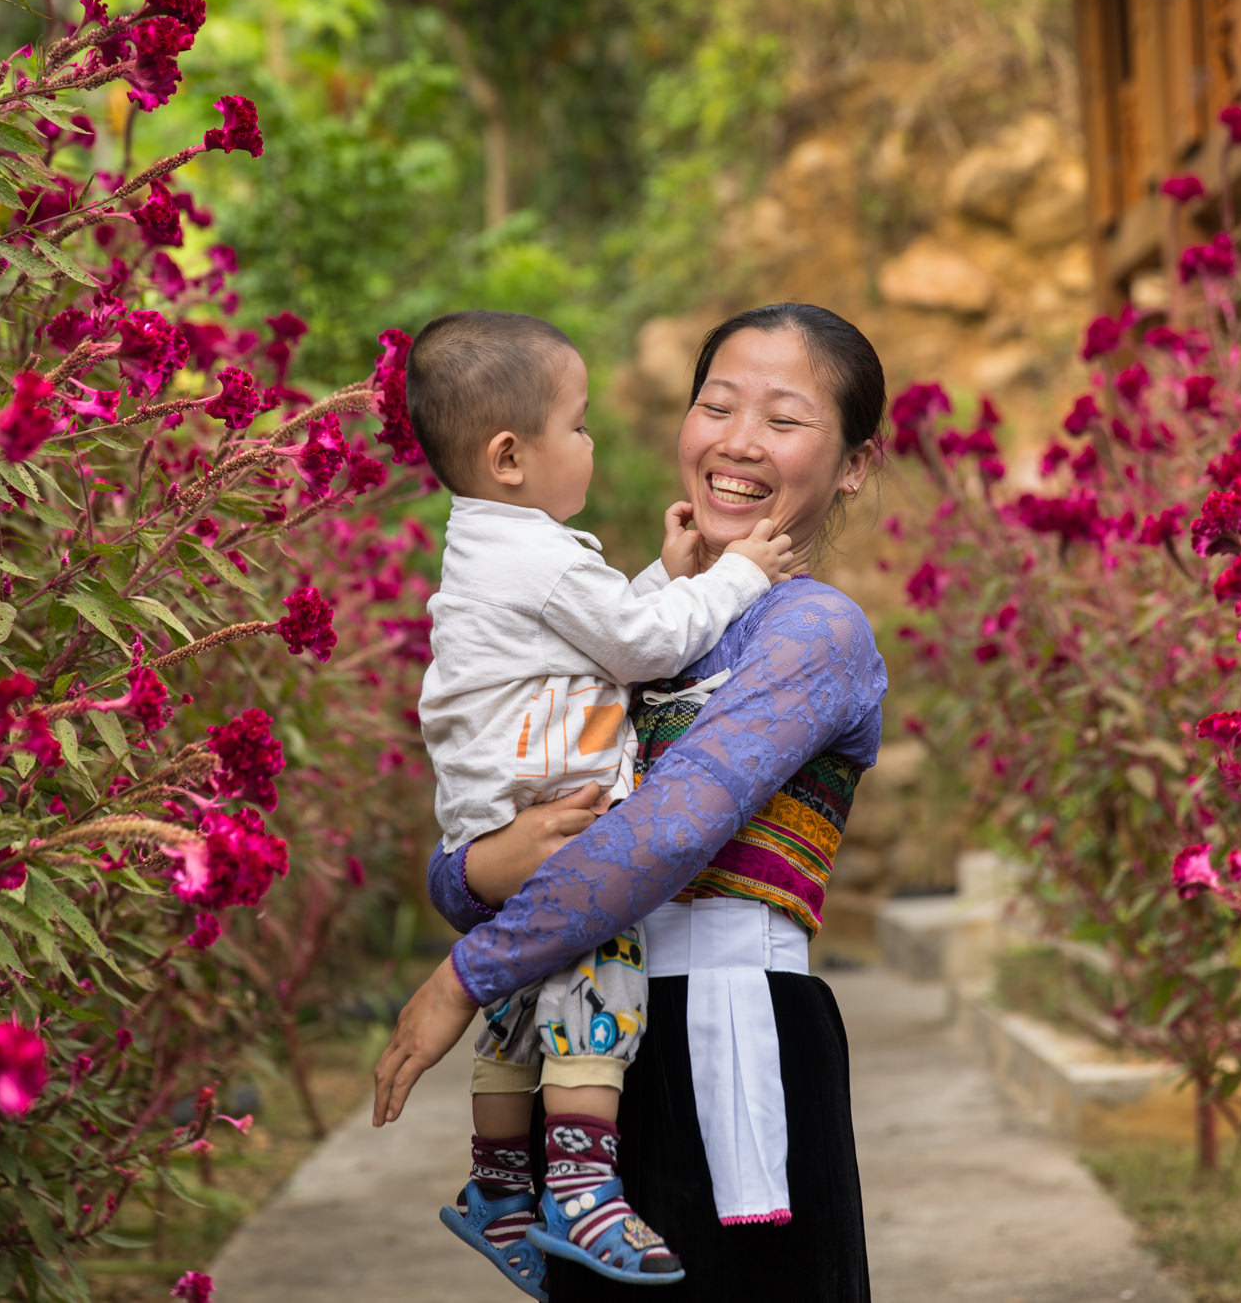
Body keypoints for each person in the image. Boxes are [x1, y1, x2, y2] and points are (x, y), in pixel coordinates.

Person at [376, 303, 887, 1302]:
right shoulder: (630, 631)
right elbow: (484, 853)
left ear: (852, 465)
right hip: (591, 1072)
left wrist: (461, 978)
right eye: (716, 405)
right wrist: (483, 867)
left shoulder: (812, 635)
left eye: (783, 419)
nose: (738, 441)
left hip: (730, 1041)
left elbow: (662, 837)